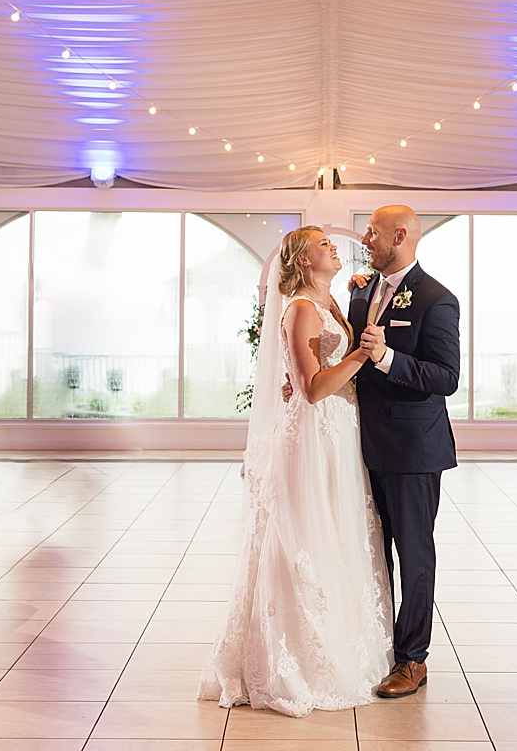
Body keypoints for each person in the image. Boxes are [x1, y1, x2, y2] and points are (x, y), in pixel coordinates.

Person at [199, 226, 392, 716]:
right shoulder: (302, 308)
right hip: (313, 437)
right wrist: (362, 354)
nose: (333, 247)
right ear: (304, 262)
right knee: (305, 536)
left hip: (339, 434)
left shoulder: (327, 301)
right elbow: (309, 389)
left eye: (332, 241)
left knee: (336, 533)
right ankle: (295, 659)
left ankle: (339, 642)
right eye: (322, 243)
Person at [350, 205, 460, 698]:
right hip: (360, 447)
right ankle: (376, 644)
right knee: (374, 553)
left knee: (413, 553)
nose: (364, 238)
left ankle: (412, 659)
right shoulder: (360, 292)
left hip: (413, 449)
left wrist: (389, 357)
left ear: (399, 236)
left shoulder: (438, 299)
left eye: (372, 232)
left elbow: (446, 377)